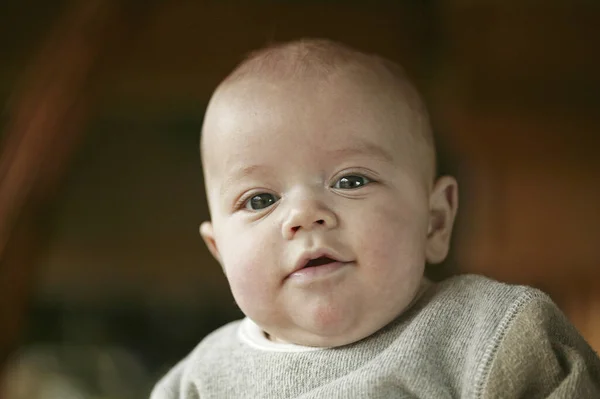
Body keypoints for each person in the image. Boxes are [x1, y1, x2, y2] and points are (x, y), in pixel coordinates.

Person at [151, 39, 600, 398]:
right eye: (259, 199)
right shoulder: (197, 383)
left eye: (351, 182)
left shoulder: (494, 335)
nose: (305, 215)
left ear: (436, 222)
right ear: (220, 253)